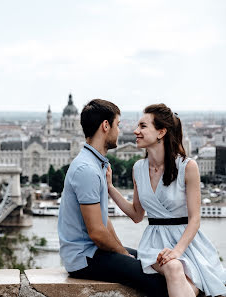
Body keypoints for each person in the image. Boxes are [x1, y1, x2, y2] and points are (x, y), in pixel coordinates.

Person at [107, 104, 226, 297]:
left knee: (182, 276)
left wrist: (177, 251)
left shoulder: (188, 167)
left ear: (161, 132)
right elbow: (137, 214)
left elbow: (195, 219)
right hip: (154, 243)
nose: (135, 131)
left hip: (188, 243)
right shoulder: (138, 168)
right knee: (173, 268)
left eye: (143, 126)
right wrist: (111, 189)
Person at [58, 99, 169, 297]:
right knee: (156, 279)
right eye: (117, 125)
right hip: (84, 258)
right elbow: (97, 233)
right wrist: (122, 254)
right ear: (105, 126)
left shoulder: (95, 164)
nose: (119, 131)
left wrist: (122, 252)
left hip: (90, 253)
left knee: (157, 263)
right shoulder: (87, 169)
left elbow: (103, 221)